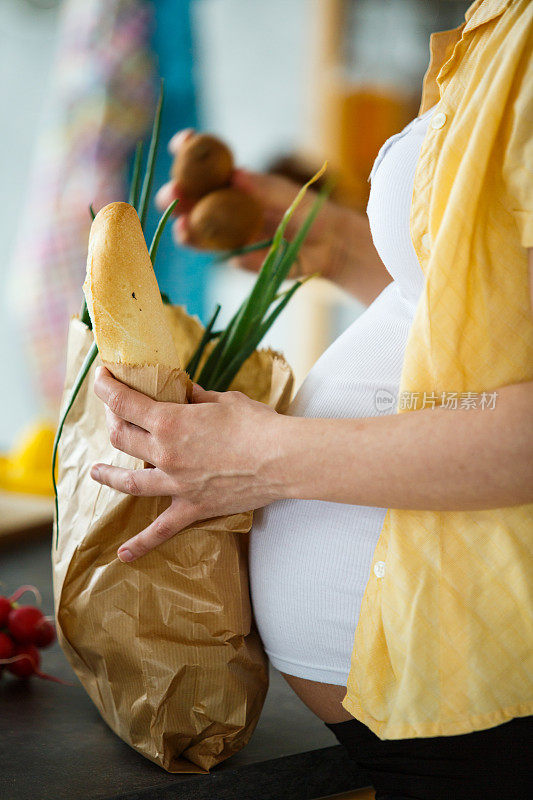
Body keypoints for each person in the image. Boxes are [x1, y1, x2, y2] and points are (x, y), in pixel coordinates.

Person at [89, 1, 533, 797]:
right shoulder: (501, 22)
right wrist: (329, 242)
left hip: (488, 709)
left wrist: (262, 460)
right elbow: (468, 320)